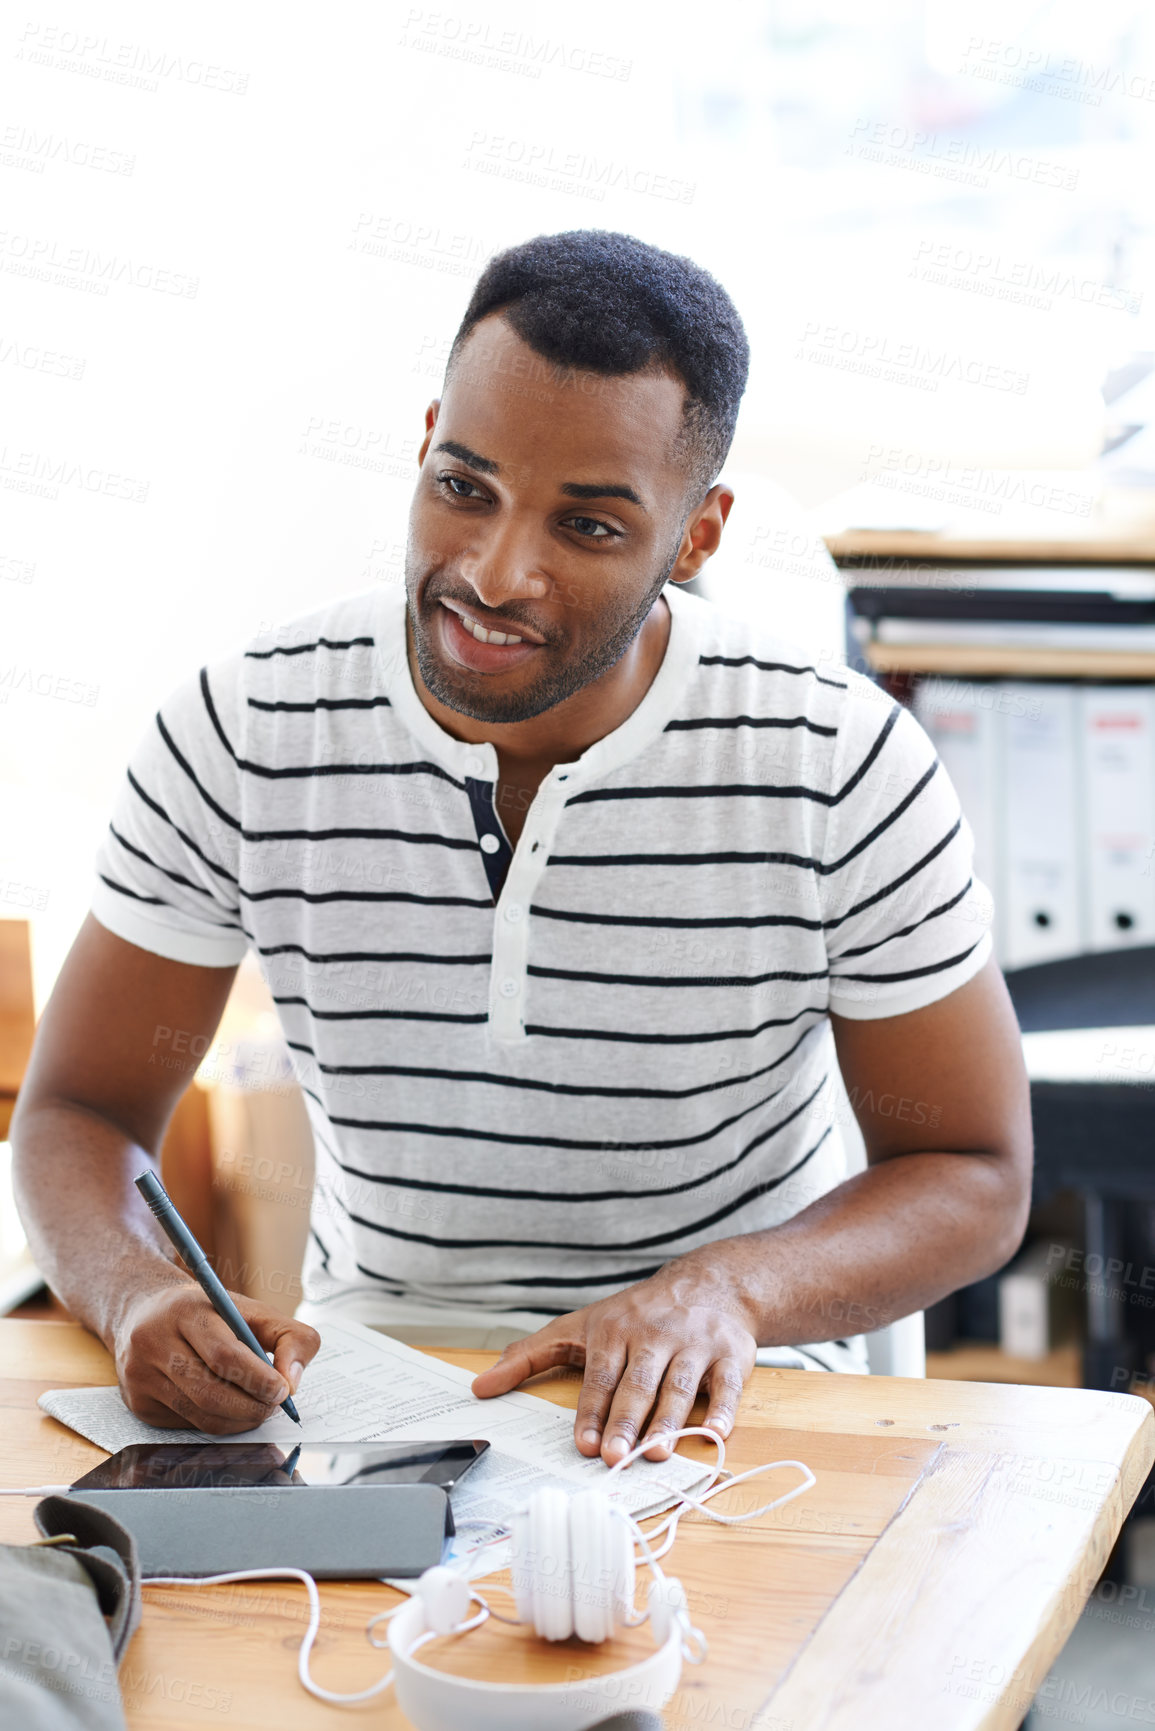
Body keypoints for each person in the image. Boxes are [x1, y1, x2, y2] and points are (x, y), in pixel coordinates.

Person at [12, 229, 1031, 1468]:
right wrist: (135, 1295)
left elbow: (972, 1170)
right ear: (430, 437)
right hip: (378, 1386)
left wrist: (733, 1292)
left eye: (590, 528)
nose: (497, 575)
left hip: (726, 1388)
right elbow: (79, 1108)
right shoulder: (248, 725)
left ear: (695, 537)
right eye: (465, 488)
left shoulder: (838, 761)